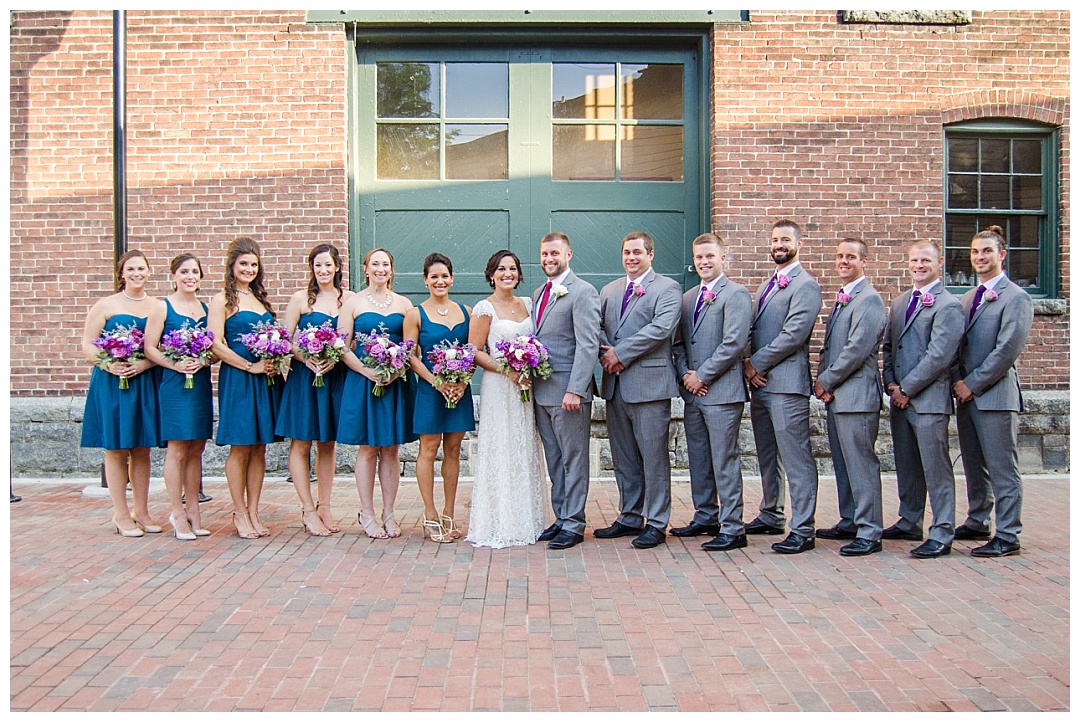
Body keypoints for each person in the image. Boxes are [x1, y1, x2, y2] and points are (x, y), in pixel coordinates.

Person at [596, 231, 682, 550]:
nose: (631, 257)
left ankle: (657, 521)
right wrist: (607, 354)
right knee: (624, 456)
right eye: (626, 252)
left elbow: (660, 329)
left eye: (637, 252)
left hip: (649, 386)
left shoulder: (667, 288)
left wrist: (621, 354)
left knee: (653, 456)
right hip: (616, 385)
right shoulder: (609, 290)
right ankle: (630, 515)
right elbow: (598, 327)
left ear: (650, 254)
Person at [953, 226, 1034, 557]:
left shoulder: (1017, 298)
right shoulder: (968, 298)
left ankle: (1009, 533)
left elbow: (1006, 351)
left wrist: (971, 384)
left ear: (1001, 255)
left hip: (996, 396)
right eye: (974, 251)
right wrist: (957, 381)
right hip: (966, 396)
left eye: (986, 251)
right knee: (973, 463)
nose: (979, 257)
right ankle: (978, 519)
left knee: (1002, 466)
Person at [881, 240, 965, 559]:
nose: (919, 265)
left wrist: (908, 388)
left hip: (928, 400)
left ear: (939, 262)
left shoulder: (948, 305)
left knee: (935, 466)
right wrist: (890, 383)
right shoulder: (901, 302)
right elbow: (889, 347)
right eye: (914, 260)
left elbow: (940, 356)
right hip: (899, 397)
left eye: (925, 260)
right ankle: (909, 519)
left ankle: (942, 531)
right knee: (907, 463)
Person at [743, 219, 822, 555]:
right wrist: (749, 367)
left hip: (787, 385)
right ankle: (771, 512)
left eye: (785, 239)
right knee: (767, 454)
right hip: (760, 385)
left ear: (798, 244)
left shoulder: (806, 286)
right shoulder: (766, 286)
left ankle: (803, 528)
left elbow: (794, 335)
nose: (779, 245)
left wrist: (755, 363)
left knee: (796, 457)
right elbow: (753, 330)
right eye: (775, 239)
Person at [671, 233, 752, 552]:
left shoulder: (736, 294)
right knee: (700, 458)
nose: (704, 262)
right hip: (694, 393)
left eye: (710, 256)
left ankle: (733, 527)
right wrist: (685, 376)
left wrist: (702, 375)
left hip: (722, 392)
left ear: (722, 258)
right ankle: (706, 515)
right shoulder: (688, 297)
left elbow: (734, 343)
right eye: (699, 257)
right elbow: (677, 345)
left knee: (724, 458)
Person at [466, 250, 546, 548]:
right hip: (500, 387)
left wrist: (530, 366)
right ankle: (498, 521)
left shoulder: (528, 304)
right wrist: (508, 371)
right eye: (501, 269)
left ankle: (528, 520)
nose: (507, 274)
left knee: (524, 446)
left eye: (512, 268)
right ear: (491, 274)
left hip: (526, 386)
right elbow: (474, 351)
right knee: (501, 447)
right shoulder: (484, 308)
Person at [812, 239, 888, 556]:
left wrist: (825, 380)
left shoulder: (868, 300)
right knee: (843, 462)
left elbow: (856, 349)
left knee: (861, 463)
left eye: (851, 257)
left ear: (864, 262)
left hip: (856, 395)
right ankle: (850, 519)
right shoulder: (844, 298)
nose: (844, 261)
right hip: (838, 396)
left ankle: (870, 531)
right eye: (840, 256)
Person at [80, 249, 162, 537]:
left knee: (141, 447)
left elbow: (161, 349)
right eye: (131, 269)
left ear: (149, 272)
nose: (137, 274)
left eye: (141, 268)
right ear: (122, 274)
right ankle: (120, 513)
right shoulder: (105, 305)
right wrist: (109, 364)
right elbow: (88, 346)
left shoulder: (157, 306)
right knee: (116, 448)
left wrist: (142, 364)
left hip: (143, 381)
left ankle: (142, 510)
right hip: (111, 382)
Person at [337, 248, 416, 539]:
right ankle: (367, 512)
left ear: (391, 270)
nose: (380, 269)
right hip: (363, 380)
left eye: (386, 264)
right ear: (366, 268)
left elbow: (411, 345)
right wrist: (366, 371)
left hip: (395, 382)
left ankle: (389, 513)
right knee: (368, 448)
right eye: (375, 264)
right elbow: (342, 346)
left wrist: (395, 370)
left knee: (392, 448)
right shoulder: (353, 303)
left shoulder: (404, 303)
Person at [276, 244, 353, 537]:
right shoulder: (300, 300)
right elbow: (284, 341)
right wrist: (305, 356)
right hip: (304, 378)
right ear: (312, 268)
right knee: (301, 442)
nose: (323, 270)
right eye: (317, 265)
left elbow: (352, 340)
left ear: (337, 268)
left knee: (327, 443)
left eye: (328, 265)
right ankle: (307, 509)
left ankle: (325, 505)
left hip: (334, 376)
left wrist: (334, 356)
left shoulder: (348, 300)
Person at [208, 237, 283, 539]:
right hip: (239, 378)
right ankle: (239, 512)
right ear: (232, 266)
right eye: (244, 264)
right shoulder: (221, 301)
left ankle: (254, 509)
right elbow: (215, 343)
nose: (249, 269)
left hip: (265, 379)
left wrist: (275, 356)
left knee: (259, 446)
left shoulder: (259, 299)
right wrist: (248, 365)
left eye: (253, 264)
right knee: (241, 445)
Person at [531, 232, 601, 550]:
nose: (549, 259)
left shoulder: (582, 292)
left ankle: (574, 523)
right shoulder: (538, 293)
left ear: (568, 254)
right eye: (545, 254)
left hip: (568, 394)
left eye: (555, 253)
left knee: (574, 459)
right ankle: (561, 517)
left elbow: (588, 344)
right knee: (555, 459)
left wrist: (576, 389)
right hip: (542, 390)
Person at [403, 253, 475, 543]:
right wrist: (436, 381)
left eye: (444, 276)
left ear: (452, 278)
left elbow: (473, 352)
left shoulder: (467, 312)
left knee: (454, 449)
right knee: (429, 449)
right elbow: (409, 355)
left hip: (458, 389)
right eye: (434, 276)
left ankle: (449, 512)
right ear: (425, 280)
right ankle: (430, 513)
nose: (440, 281)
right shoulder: (415, 314)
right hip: (430, 389)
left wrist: (461, 380)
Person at [144, 253, 214, 540]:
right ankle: (176, 512)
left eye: (195, 272)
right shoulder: (163, 308)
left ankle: (194, 510)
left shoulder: (206, 309)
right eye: (184, 272)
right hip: (174, 384)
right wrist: (175, 364)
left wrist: (204, 361)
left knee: (196, 447)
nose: (190, 277)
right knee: (178, 448)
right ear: (173, 276)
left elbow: (214, 347)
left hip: (199, 383)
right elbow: (150, 348)